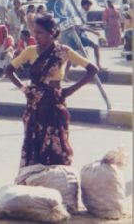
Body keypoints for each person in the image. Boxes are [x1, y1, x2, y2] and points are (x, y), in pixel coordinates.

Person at [5, 14, 99, 167]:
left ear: (51, 33)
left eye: (40, 32)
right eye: (34, 32)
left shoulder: (63, 51)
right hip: (35, 105)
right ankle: (35, 173)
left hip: (54, 103)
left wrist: (69, 91)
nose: (35, 36)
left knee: (56, 142)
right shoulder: (30, 51)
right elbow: (9, 70)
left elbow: (92, 70)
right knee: (34, 141)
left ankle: (54, 174)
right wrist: (24, 88)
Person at [76, 0, 102, 69]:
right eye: (88, 5)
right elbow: (80, 27)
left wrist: (93, 30)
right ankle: (98, 65)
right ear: (84, 5)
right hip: (78, 34)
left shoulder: (82, 11)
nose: (89, 7)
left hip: (80, 34)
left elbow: (83, 25)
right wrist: (93, 31)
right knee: (96, 46)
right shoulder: (80, 12)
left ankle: (97, 65)